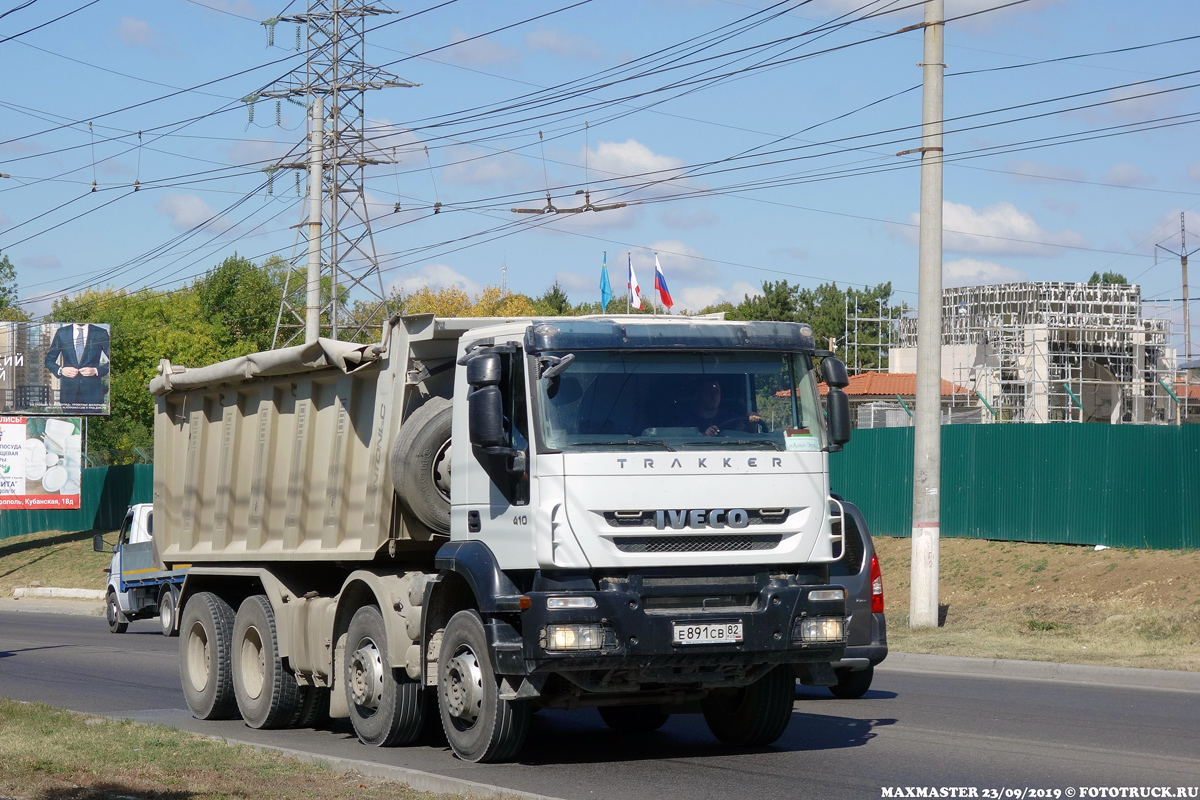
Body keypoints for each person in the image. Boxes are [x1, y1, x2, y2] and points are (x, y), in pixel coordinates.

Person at [44, 322, 110, 414]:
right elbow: (49, 361)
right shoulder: (62, 333)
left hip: (93, 396)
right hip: (69, 396)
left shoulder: (100, 332)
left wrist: (97, 370)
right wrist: (61, 370)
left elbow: (114, 361)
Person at [684, 378, 762, 436]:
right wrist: (704, 438)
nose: (713, 396)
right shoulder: (687, 420)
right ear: (699, 395)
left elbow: (744, 435)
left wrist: (752, 423)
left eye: (716, 392)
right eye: (709, 392)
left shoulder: (731, 417)